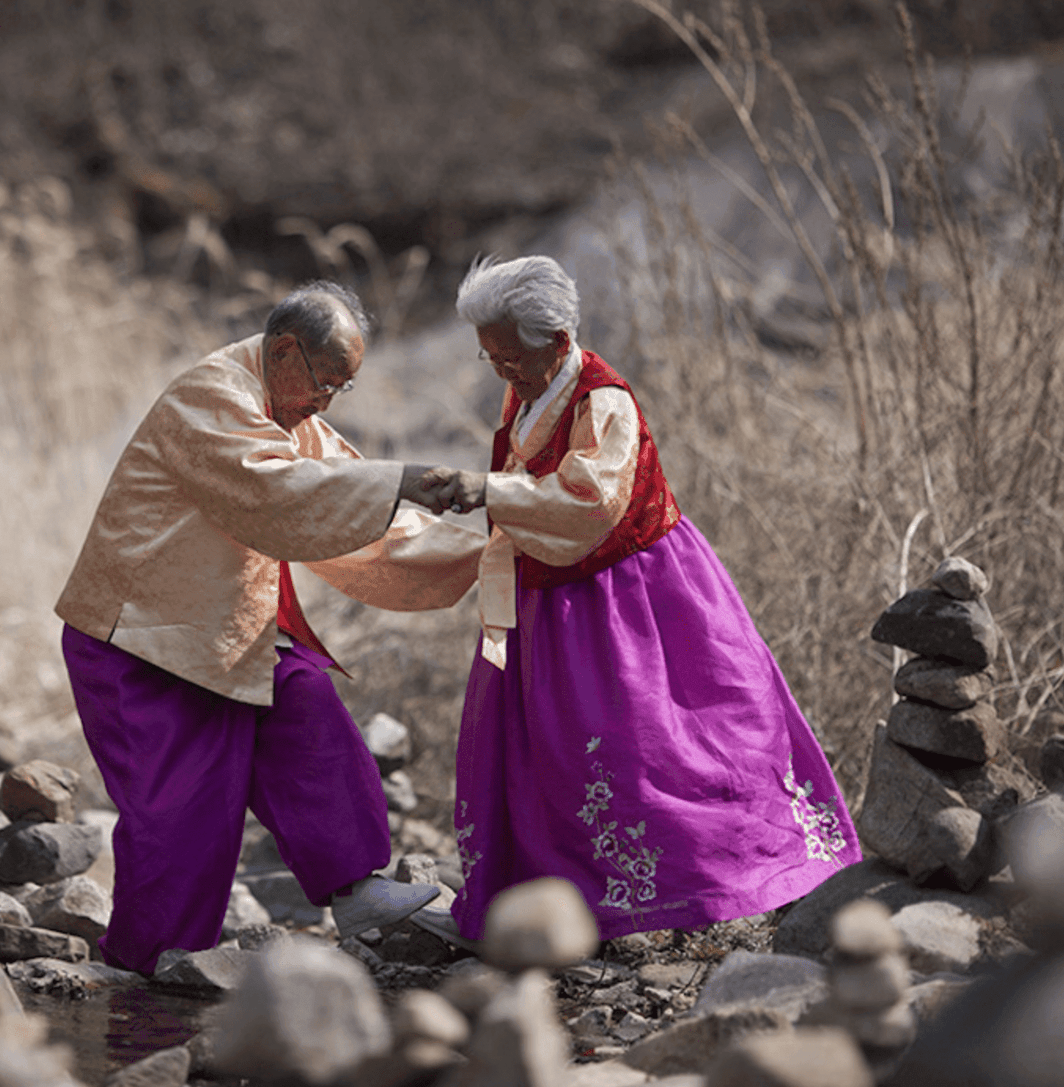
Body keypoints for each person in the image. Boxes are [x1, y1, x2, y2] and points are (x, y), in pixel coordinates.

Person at [413, 255, 862, 948]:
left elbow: (591, 498)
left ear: (559, 342)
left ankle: (711, 883)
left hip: (632, 595)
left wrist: (490, 491)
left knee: (655, 742)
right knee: (552, 752)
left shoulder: (604, 401)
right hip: (550, 596)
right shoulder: (528, 389)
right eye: (491, 356)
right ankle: (567, 899)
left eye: (510, 357)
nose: (500, 370)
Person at [55, 281, 485, 974]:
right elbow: (280, 496)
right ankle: (147, 977)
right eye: (327, 384)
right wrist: (399, 478)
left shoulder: (285, 406)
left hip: (223, 634)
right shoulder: (212, 395)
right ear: (285, 351)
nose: (327, 402)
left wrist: (483, 552)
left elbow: (351, 504)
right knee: (181, 823)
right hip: (140, 642)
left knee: (306, 700)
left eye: (340, 389)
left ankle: (357, 887)